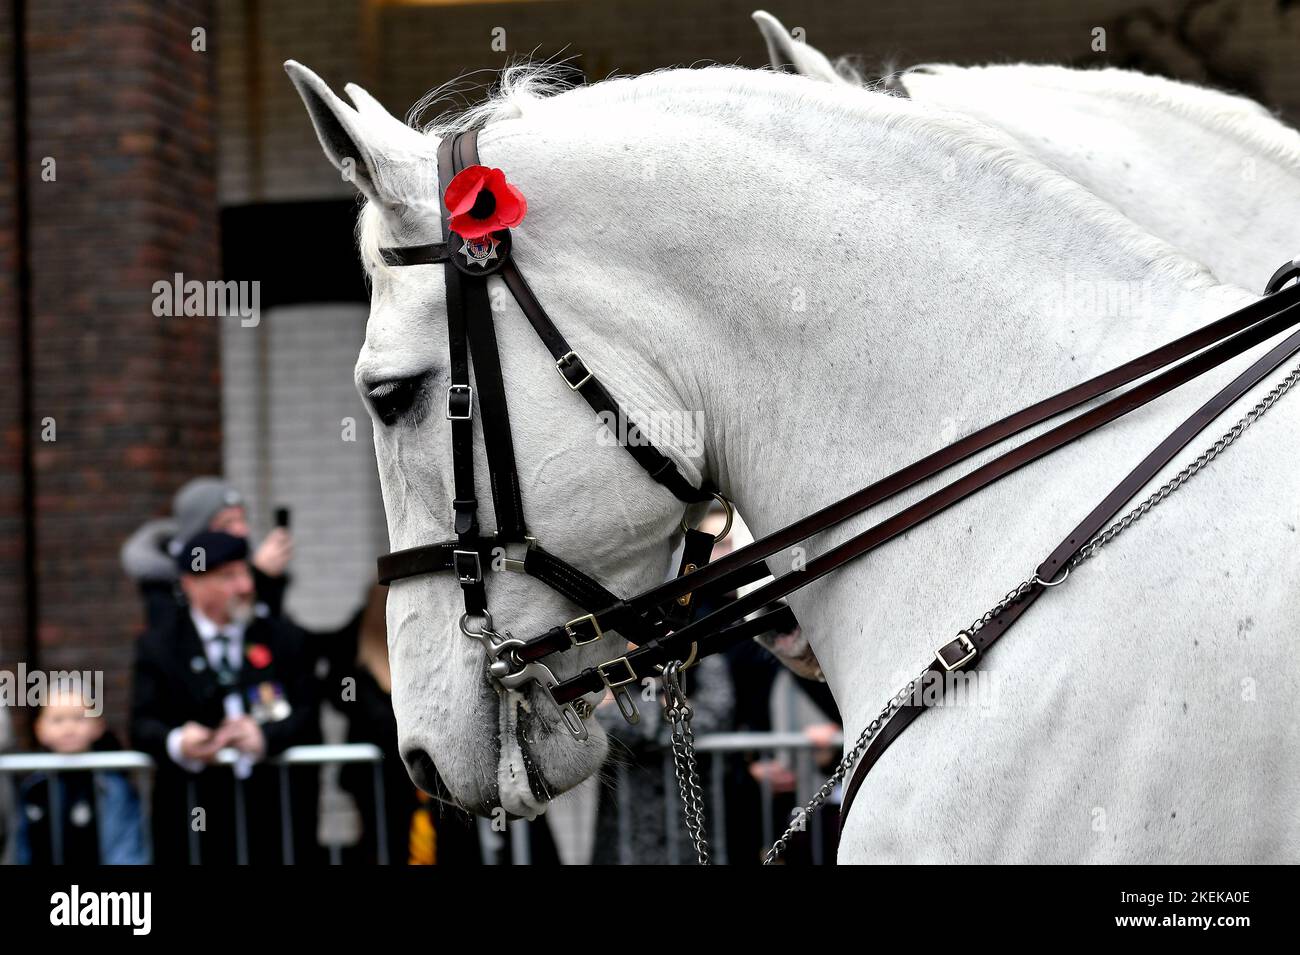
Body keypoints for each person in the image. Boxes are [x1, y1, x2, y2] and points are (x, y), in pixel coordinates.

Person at [130, 531, 321, 863]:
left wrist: (264, 736)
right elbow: (142, 724)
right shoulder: (160, 645)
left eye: (245, 572)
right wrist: (180, 742)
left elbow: (309, 712)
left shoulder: (281, 637)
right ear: (191, 583)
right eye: (227, 577)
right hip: (195, 820)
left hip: (270, 817)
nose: (245, 586)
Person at [324, 584, 480, 864]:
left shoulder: (431, 634)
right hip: (382, 777)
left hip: (438, 774)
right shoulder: (353, 642)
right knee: (385, 843)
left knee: (451, 843)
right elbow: (338, 692)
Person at [121, 477, 294, 630]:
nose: (242, 530)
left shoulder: (238, 557)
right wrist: (259, 576)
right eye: (228, 522)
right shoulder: (191, 561)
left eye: (242, 520)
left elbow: (271, 629)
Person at [14, 685, 146, 865]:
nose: (69, 728)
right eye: (58, 720)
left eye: (79, 718)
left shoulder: (112, 788)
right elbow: (21, 849)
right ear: (39, 729)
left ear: (98, 725)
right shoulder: (33, 787)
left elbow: (124, 849)